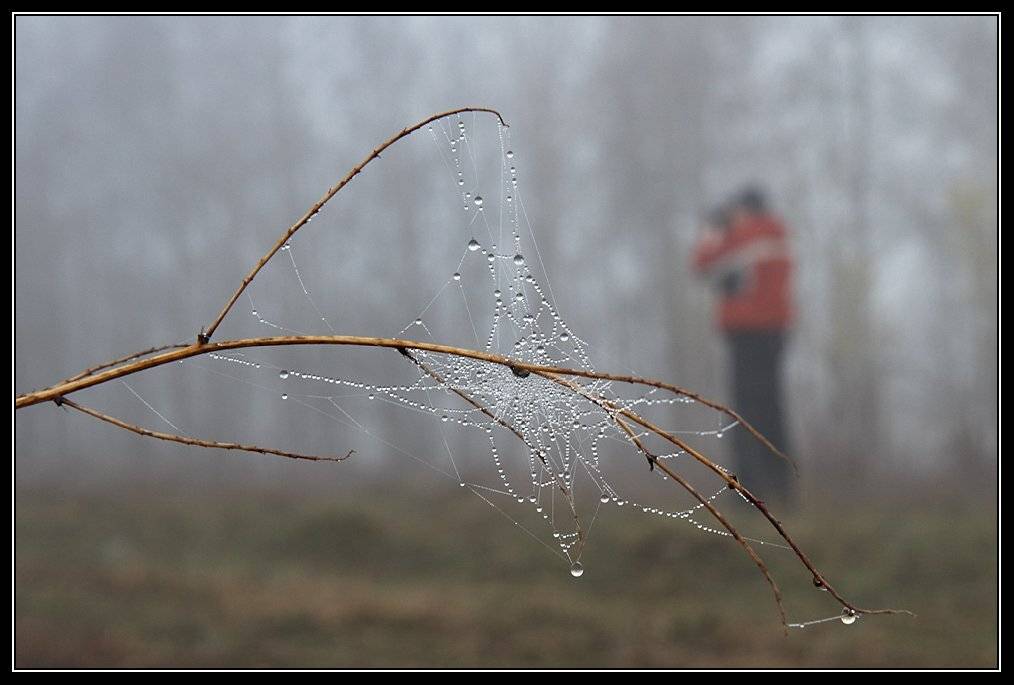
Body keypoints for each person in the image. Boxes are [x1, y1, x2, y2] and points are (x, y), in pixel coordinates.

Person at [692, 187, 795, 503]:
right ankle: (782, 486)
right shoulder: (778, 235)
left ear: (745, 211)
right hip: (776, 330)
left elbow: (703, 264)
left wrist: (712, 229)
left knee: (743, 411)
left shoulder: (745, 236)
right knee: (772, 407)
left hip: (747, 334)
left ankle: (748, 491)